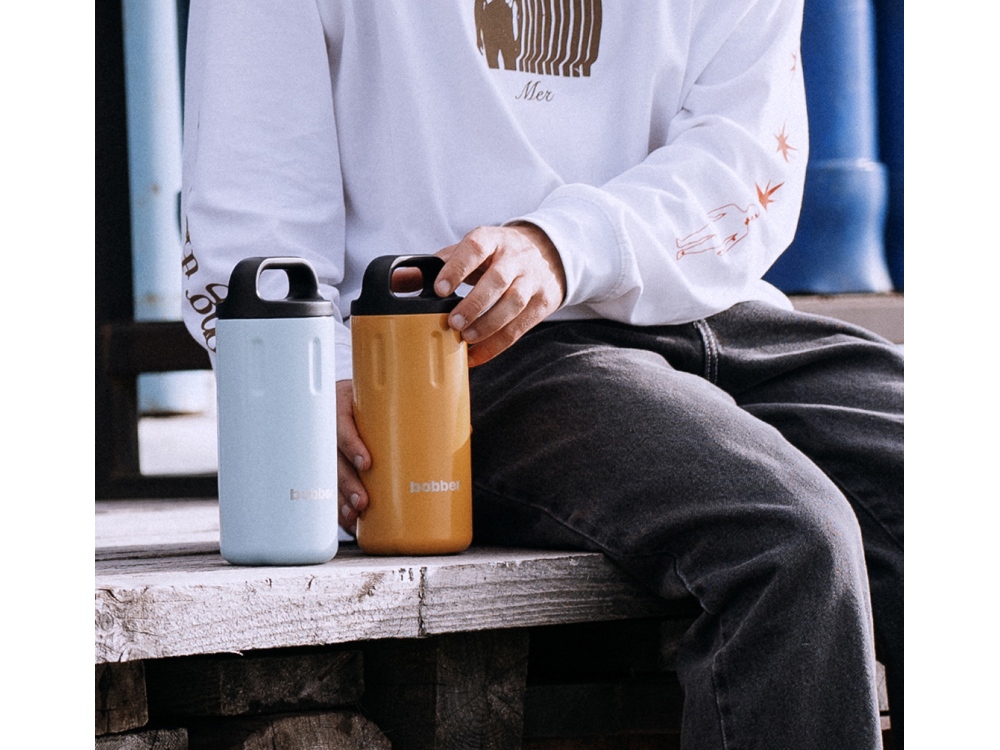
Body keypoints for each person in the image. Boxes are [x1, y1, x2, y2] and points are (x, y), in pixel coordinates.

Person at [180, 2, 903, 748]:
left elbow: (747, 153)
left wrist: (562, 246)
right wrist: (315, 381)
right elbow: (251, 189)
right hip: (451, 348)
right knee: (787, 537)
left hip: (717, 307)